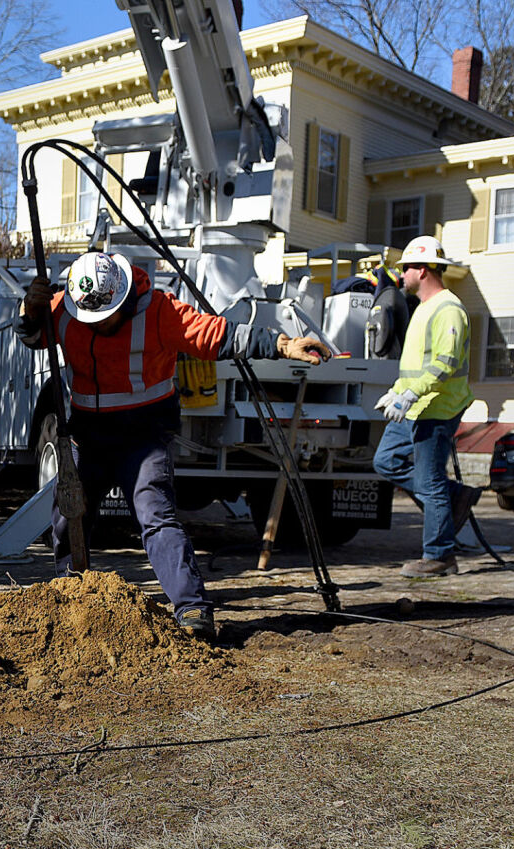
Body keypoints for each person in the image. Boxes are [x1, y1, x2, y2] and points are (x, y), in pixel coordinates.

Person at [17, 250, 331, 638]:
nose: (98, 326)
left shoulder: (158, 310)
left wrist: (282, 345)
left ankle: (192, 610)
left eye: (106, 318)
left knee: (155, 516)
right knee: (68, 515)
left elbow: (217, 334)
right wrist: (30, 313)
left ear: (122, 297)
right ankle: (69, 596)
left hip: (142, 435)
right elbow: (36, 336)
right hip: (88, 434)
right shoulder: (69, 307)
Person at [370, 235, 483, 578]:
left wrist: (410, 394)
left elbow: (445, 363)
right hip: (416, 405)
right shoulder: (423, 308)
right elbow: (417, 365)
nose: (401, 276)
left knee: (429, 482)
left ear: (422, 269)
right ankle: (456, 497)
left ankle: (439, 556)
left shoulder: (449, 309)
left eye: (405, 269)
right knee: (385, 460)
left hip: (437, 408)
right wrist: (397, 392)